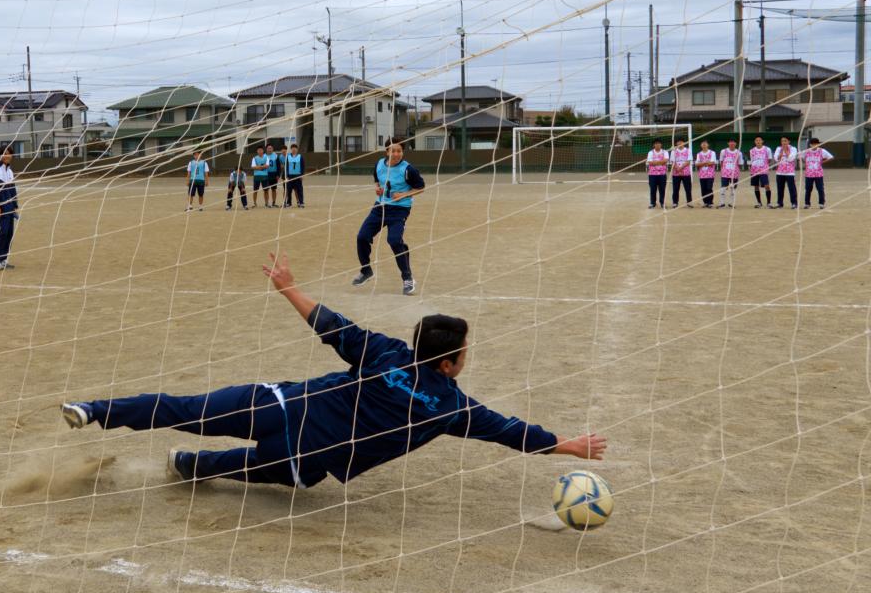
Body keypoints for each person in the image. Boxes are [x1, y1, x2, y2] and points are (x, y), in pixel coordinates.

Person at [60, 252, 606, 489]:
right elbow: (511, 432)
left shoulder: (387, 352)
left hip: (277, 405)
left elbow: (332, 326)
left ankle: (94, 410)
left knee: (185, 409)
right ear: (448, 362)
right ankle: (190, 465)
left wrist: (288, 287)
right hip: (305, 455)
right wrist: (570, 446)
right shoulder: (449, 407)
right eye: (466, 349)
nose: (468, 354)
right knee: (278, 473)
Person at [353, 138, 425, 296]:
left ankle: (407, 278)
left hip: (400, 209)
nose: (396, 154)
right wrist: (377, 188)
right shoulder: (379, 164)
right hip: (380, 207)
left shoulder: (408, 169)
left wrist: (403, 195)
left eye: (399, 151)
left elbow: (421, 187)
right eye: (393, 151)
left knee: (394, 240)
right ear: (387, 151)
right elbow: (377, 180)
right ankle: (366, 271)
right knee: (362, 237)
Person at [800, 137, 834, 210]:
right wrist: (805, 162)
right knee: (808, 189)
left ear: (818, 144)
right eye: (812, 144)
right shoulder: (806, 151)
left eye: (816, 144)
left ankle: (821, 203)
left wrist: (822, 162)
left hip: (818, 174)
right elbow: (800, 158)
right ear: (810, 145)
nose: (814, 145)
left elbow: (831, 157)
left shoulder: (822, 151)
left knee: (820, 189)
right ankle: (807, 203)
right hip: (809, 174)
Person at [772, 136, 798, 209]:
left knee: (792, 188)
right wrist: (780, 153)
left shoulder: (793, 149)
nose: (784, 142)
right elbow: (776, 159)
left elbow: (791, 158)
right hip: (780, 172)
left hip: (790, 172)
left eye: (785, 141)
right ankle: (780, 203)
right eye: (782, 141)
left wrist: (786, 151)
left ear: (789, 141)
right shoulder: (778, 148)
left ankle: (794, 203)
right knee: (780, 188)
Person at [748, 136, 774, 209]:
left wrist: (764, 166)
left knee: (766, 185)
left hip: (763, 170)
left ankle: (769, 203)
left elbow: (769, 159)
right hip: (754, 170)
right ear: (755, 142)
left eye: (759, 140)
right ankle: (759, 203)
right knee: (756, 186)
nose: (758, 141)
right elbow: (752, 160)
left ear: (762, 141)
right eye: (756, 140)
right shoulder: (752, 150)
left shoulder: (767, 149)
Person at [717, 139, 743, 209]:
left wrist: (736, 170)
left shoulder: (739, 153)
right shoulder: (723, 151)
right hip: (725, 173)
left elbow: (740, 163)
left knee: (733, 189)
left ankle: (731, 203)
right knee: (723, 188)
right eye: (730, 142)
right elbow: (721, 161)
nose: (732, 143)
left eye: (733, 142)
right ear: (728, 143)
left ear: (736, 143)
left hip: (734, 174)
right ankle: (722, 203)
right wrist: (723, 169)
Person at [669, 138, 693, 208]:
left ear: (684, 142)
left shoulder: (688, 150)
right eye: (678, 142)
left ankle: (689, 202)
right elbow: (672, 161)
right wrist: (677, 168)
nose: (679, 143)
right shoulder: (674, 151)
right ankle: (675, 202)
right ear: (676, 143)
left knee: (688, 188)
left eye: (681, 141)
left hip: (686, 173)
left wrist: (681, 167)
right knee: (675, 188)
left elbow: (688, 161)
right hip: (676, 173)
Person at [645, 140, 668, 209]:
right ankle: (652, 203)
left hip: (662, 174)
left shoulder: (665, 152)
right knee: (653, 189)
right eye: (656, 143)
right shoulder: (650, 152)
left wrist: (655, 162)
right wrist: (661, 162)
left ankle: (662, 202)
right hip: (652, 174)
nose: (657, 145)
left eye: (659, 143)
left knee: (662, 189)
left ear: (661, 144)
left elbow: (665, 161)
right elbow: (650, 162)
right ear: (653, 145)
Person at [695, 140, 717, 208]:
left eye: (705, 143)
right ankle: (705, 202)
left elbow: (712, 162)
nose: (704, 145)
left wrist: (702, 163)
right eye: (702, 143)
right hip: (702, 175)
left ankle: (710, 202)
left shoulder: (712, 153)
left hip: (710, 174)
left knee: (709, 188)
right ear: (701, 145)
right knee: (703, 189)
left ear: (708, 145)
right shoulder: (699, 154)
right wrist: (706, 162)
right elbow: (697, 164)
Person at [284, 144, 305, 208]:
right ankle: (289, 203)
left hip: (298, 176)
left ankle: (301, 202)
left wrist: (302, 175)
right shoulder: (288, 157)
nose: (294, 150)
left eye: (295, 148)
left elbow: (302, 166)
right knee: (289, 190)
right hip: (290, 176)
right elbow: (286, 167)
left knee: (299, 190)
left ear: (297, 149)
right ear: (291, 149)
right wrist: (286, 176)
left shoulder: (300, 157)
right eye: (292, 148)